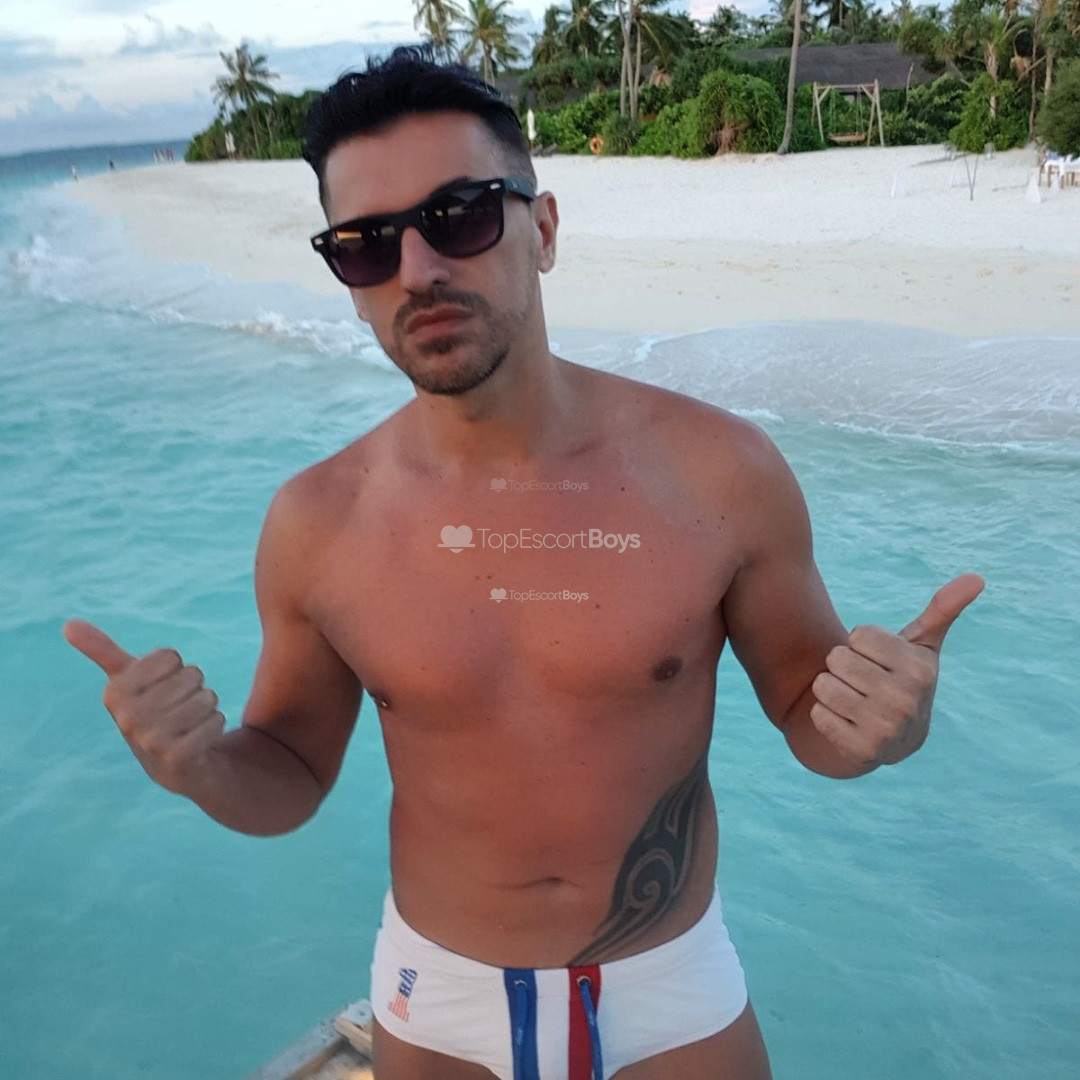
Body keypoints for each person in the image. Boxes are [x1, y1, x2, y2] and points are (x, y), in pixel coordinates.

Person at [63, 48, 984, 1080]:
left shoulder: (718, 471)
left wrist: (887, 728)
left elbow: (815, 721)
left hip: (670, 987)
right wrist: (198, 771)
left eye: (459, 216)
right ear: (346, 279)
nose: (419, 269)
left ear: (541, 230)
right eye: (368, 245)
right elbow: (290, 778)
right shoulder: (319, 522)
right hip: (437, 996)